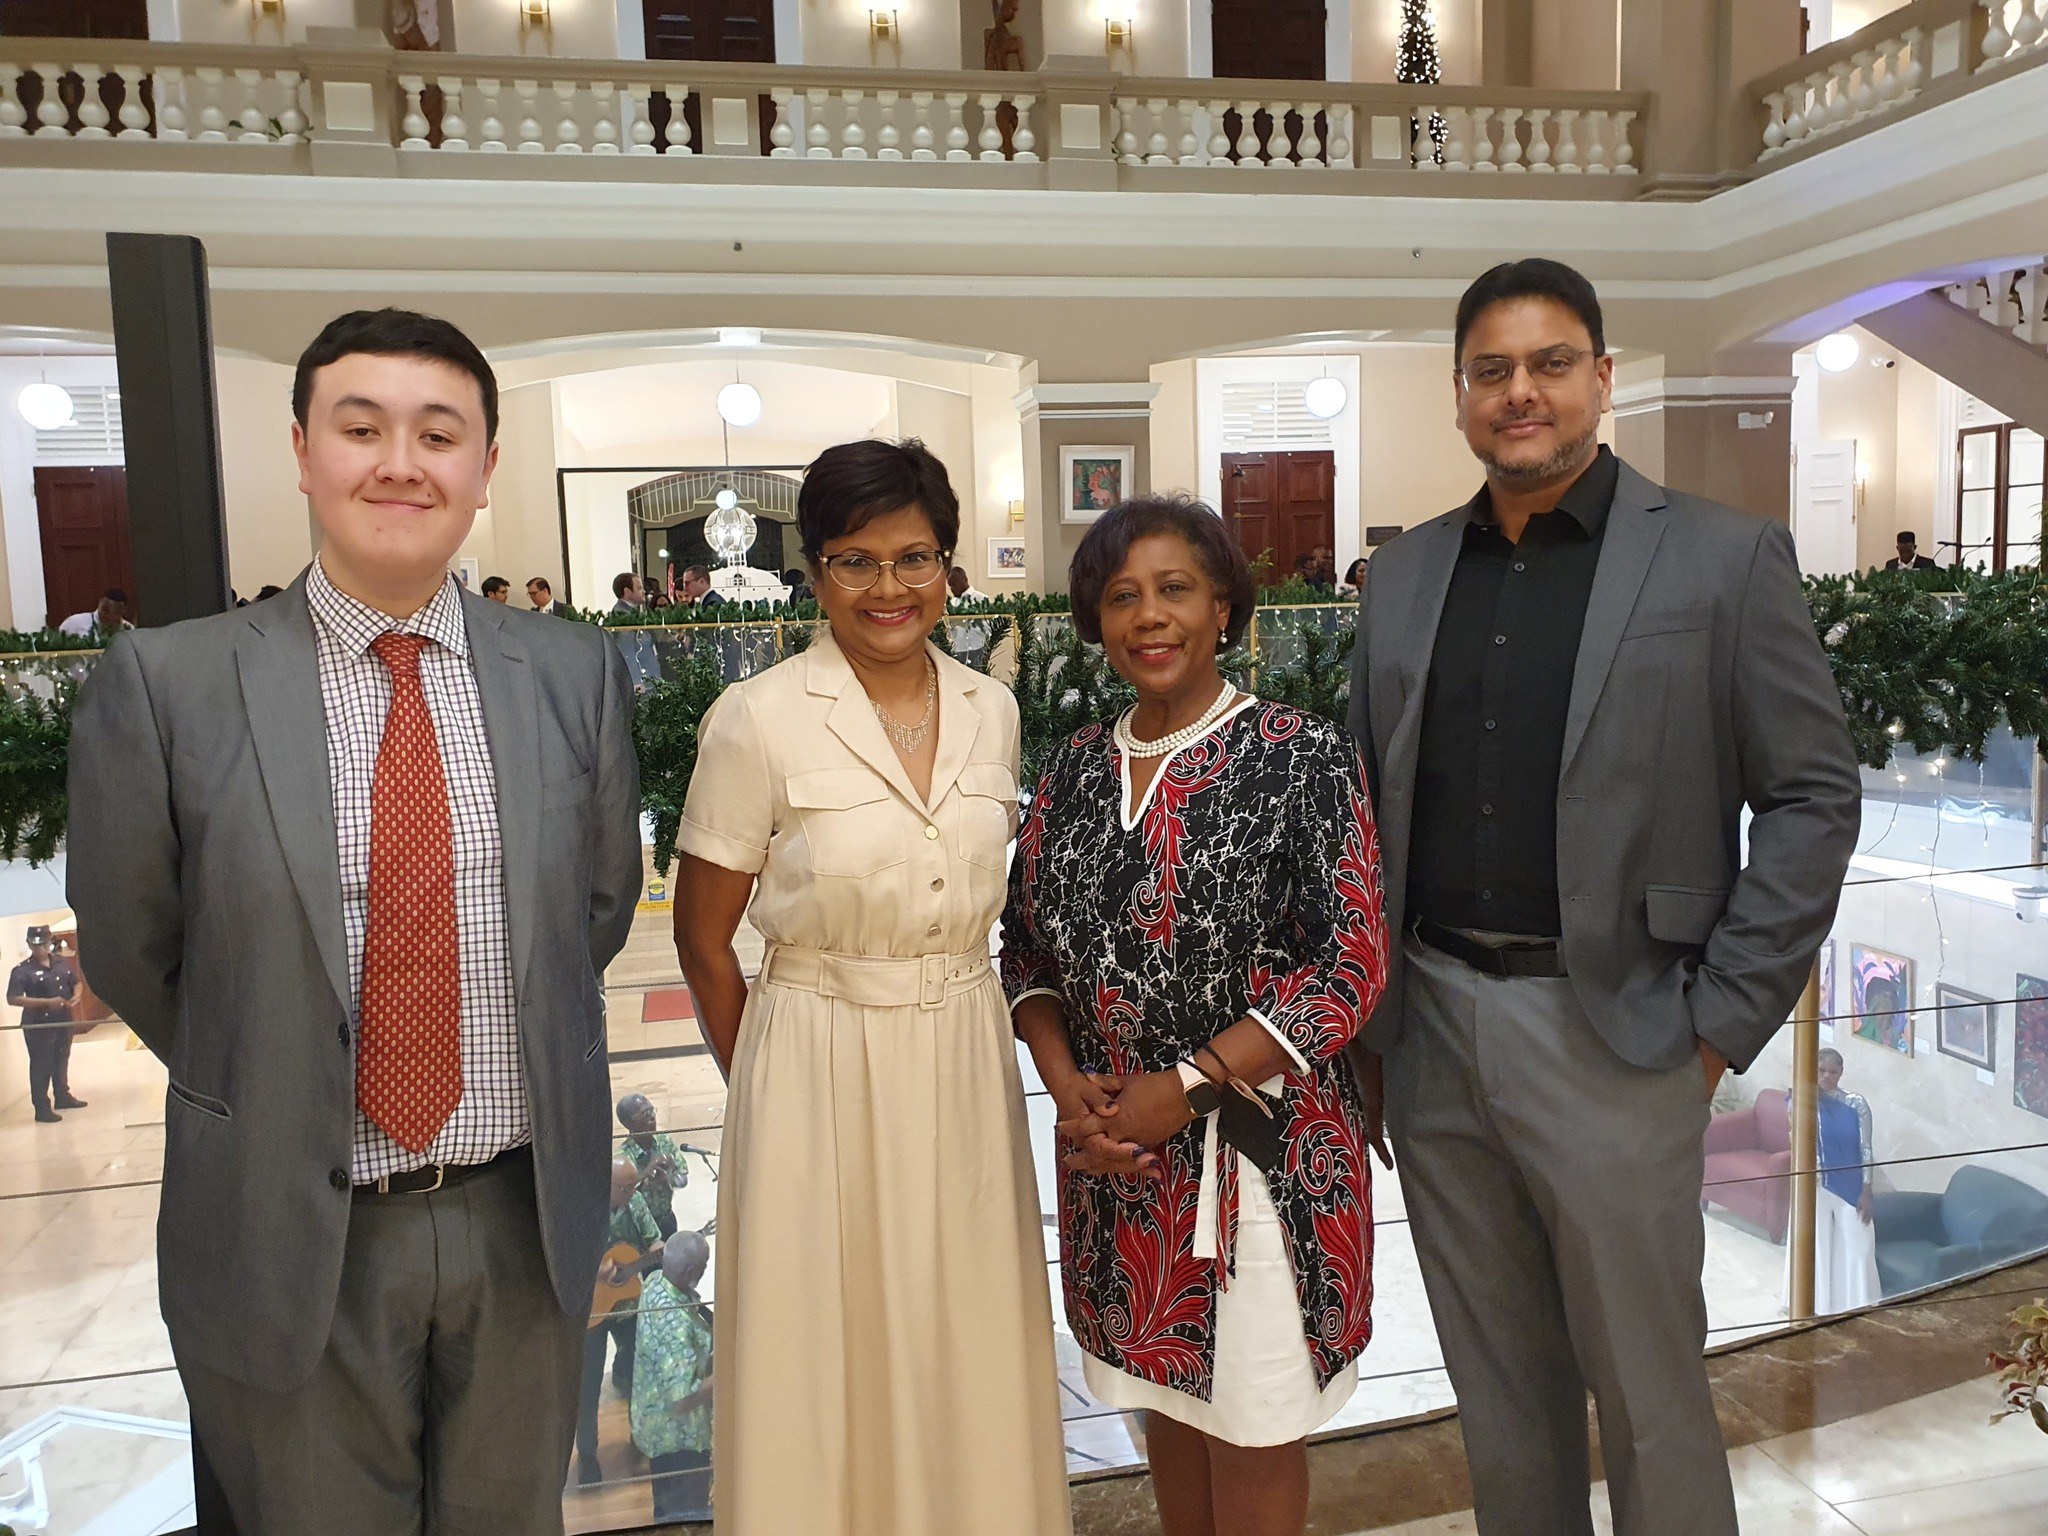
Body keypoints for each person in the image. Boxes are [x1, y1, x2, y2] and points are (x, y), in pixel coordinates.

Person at [66, 306, 645, 1535]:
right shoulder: (171, 684)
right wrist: (265, 1066)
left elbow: (586, 919)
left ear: (484, 471)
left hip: (518, 1214)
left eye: (439, 434)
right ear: (302, 451)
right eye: (361, 426)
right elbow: (133, 944)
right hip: (285, 1226)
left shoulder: (570, 674)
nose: (400, 462)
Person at [1348, 258, 1861, 1536]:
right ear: (1458, 397)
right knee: (1499, 1397)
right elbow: (1363, 802)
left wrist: (1712, 1028)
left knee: (1646, 1391)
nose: (1520, 393)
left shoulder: (1720, 558)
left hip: (1621, 1033)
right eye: (1490, 371)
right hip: (1432, 1029)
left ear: (1601, 378)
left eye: (1549, 364)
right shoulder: (1402, 575)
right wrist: (1369, 1028)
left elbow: (1809, 797)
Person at [672, 437, 1069, 1536]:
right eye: (853, 561)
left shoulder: (991, 707)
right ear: (814, 571)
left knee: (963, 1321)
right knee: (819, 1339)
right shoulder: (757, 718)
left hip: (957, 1046)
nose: (886, 589)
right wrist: (768, 1082)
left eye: (913, 558)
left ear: (947, 565)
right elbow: (705, 943)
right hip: (812, 1053)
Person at [1004, 494, 1388, 1536]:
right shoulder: (1073, 770)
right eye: (1121, 596)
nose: (1149, 616)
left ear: (1222, 606)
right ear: (1094, 620)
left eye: (1174, 588)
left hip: (1259, 1164)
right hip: (1117, 1170)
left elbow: (1349, 966)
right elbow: (1026, 952)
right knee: (1163, 1413)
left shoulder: (1297, 755)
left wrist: (1181, 1087)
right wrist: (1064, 1080)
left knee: (1253, 1426)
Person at [577, 1157, 664, 1485]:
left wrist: (658, 1249)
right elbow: (567, 1255)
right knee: (588, 1384)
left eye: (633, 1186)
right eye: (624, 1187)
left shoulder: (636, 1203)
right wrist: (596, 1271)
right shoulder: (585, 1204)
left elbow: (653, 1238)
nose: (630, 1192)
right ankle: (587, 1456)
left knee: (638, 1375)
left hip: (628, 1304)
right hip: (592, 1309)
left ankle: (641, 1436)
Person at [630, 1229, 714, 1524]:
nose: (706, 1270)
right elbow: (682, 1400)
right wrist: (726, 1372)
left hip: (654, 1427)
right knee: (686, 1516)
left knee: (667, 1513)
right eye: (704, 1265)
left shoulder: (655, 1282)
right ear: (692, 1270)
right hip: (679, 1442)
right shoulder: (676, 1326)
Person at [1807, 1048, 1881, 1312]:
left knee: (1859, 1246)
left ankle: (1861, 1305)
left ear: (1841, 1073)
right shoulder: (1802, 1102)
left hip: (1851, 1185)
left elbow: (1867, 1149)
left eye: (1833, 1071)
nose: (1827, 1077)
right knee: (1818, 1246)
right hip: (1815, 1184)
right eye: (1821, 1070)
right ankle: (1818, 1305)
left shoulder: (1856, 1104)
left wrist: (1867, 1190)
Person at [9, 924, 83, 1123]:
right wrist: (46, 1003)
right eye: (36, 944)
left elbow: (75, 981)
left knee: (61, 1057)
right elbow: (13, 998)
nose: (40, 948)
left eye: (44, 943)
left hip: (62, 1019)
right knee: (41, 1064)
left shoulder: (61, 962)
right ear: (29, 945)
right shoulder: (22, 970)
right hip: (38, 1024)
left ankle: (62, 1095)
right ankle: (41, 1107)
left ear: (50, 942)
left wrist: (77, 995)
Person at [618, 1091, 686, 1239]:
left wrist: (670, 1175)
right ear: (628, 1123)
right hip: (639, 1229)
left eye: (652, 1110)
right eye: (644, 1112)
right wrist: (644, 1174)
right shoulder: (622, 1158)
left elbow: (683, 1180)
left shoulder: (664, 1141)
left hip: (666, 1221)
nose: (652, 1116)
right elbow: (618, 1197)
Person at [58, 588, 131, 637]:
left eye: (116, 612)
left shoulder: (129, 630)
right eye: (105, 610)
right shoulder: (74, 623)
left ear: (123, 611)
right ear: (100, 603)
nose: (109, 616)